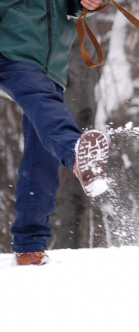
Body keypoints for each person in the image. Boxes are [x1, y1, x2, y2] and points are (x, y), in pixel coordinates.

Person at [0, 0, 109, 265]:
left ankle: (30, 246)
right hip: (12, 50)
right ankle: (76, 152)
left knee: (42, 152)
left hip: (49, 62)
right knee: (42, 104)